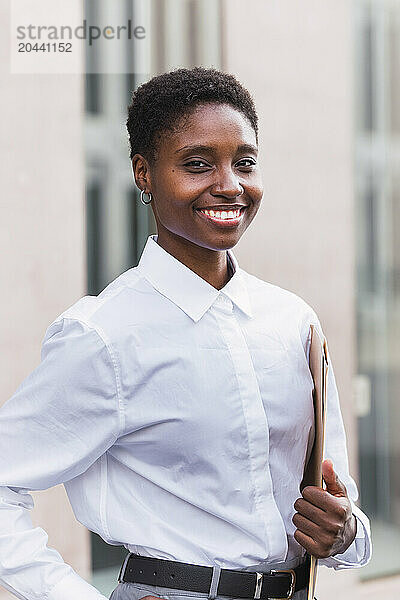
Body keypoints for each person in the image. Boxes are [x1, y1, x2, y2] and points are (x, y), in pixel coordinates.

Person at [0, 67, 371, 600]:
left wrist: (346, 532)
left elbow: (342, 506)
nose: (229, 185)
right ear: (144, 174)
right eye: (197, 164)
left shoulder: (293, 322)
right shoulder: (104, 336)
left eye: (244, 162)